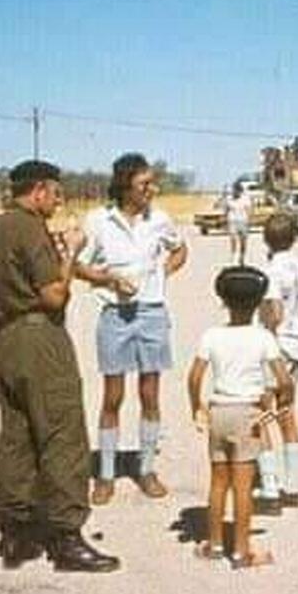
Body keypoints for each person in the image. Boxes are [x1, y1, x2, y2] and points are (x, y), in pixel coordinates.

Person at [0, 159, 119, 572]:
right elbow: (55, 295)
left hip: (4, 338)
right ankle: (66, 536)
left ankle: (16, 532)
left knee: (17, 432)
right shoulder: (29, 227)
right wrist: (72, 251)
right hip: (39, 338)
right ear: (39, 190)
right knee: (61, 432)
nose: (58, 203)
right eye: (56, 194)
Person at [76, 153, 188, 505]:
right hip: (115, 317)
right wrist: (108, 279)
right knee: (113, 397)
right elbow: (79, 267)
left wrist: (160, 276)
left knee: (150, 394)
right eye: (144, 184)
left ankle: (146, 468)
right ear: (125, 186)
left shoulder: (161, 220)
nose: (152, 189)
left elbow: (180, 250)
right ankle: (106, 474)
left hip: (152, 314)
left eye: (152, 183)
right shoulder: (99, 221)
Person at [187, 266, 293, 569]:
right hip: (248, 414)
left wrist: (197, 405)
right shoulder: (262, 338)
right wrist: (285, 400)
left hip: (219, 411)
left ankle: (216, 542)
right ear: (258, 304)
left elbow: (195, 376)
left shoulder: (212, 335)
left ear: (223, 301)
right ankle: (242, 549)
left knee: (218, 481)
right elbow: (283, 379)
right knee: (243, 485)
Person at [256, 211, 298, 514]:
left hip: (277, 345)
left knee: (262, 413)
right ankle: (295, 483)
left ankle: (271, 484)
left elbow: (274, 311)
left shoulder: (272, 271)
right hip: (297, 341)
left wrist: (265, 329)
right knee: (287, 413)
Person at [224, 181, 252, 265]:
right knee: (233, 239)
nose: (235, 192)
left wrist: (249, 222)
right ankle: (233, 257)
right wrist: (226, 220)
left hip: (243, 221)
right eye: (234, 190)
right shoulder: (229, 199)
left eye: (237, 190)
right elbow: (226, 210)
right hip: (232, 221)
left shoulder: (245, 199)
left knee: (243, 241)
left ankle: (242, 257)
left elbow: (249, 210)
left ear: (240, 191)